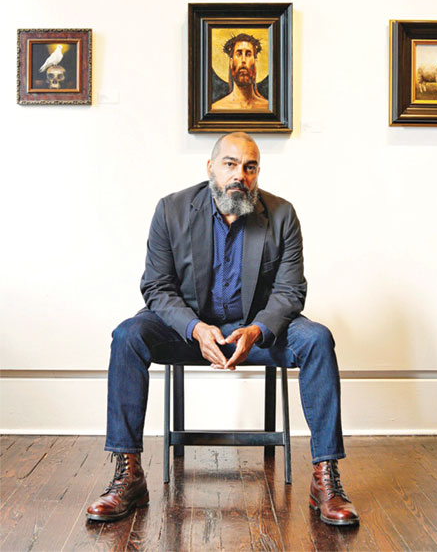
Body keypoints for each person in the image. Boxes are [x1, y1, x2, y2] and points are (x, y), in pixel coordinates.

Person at [86, 132, 359, 526]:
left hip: (256, 333)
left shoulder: (282, 215)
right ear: (210, 167)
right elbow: (156, 287)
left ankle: (325, 478)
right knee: (126, 336)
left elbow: (290, 291)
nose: (239, 175)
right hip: (188, 330)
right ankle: (128, 473)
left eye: (250, 167)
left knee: (317, 338)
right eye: (230, 164)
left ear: (258, 172)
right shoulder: (171, 210)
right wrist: (195, 328)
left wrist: (258, 330)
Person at [211, 34, 269, 110]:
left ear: (254, 63)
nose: (243, 60)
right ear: (231, 63)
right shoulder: (217, 108)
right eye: (239, 54)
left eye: (248, 54)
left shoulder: (267, 107)